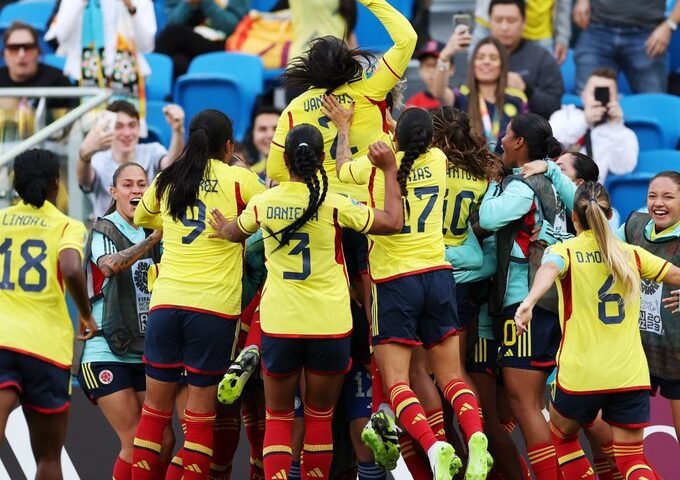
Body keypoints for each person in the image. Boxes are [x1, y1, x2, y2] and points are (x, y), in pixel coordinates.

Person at [209, 123, 403, 480]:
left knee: (280, 418)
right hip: (330, 325)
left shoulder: (264, 202)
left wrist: (224, 226)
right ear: (322, 160)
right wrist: (389, 170)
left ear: (284, 159)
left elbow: (233, 233)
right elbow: (392, 222)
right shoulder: (334, 204)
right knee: (319, 417)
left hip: (280, 324)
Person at [337, 106, 492, 480]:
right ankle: (475, 437)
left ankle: (434, 445)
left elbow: (342, 168)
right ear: (431, 139)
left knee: (397, 382)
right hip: (438, 277)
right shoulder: (438, 160)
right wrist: (395, 125)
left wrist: (345, 128)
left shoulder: (376, 167)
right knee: (452, 376)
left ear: (395, 139)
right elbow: (412, 144)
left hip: (394, 282)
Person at [130, 109, 265, 480]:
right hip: (213, 310)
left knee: (154, 414)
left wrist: (169, 223)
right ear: (228, 146)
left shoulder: (168, 178)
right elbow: (271, 209)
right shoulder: (239, 179)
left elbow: (143, 217)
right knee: (200, 418)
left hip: (166, 304)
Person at [515, 181, 680, 480]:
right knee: (631, 458)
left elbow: (548, 269)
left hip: (582, 375)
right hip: (630, 375)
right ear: (609, 214)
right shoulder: (631, 254)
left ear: (574, 217)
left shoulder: (565, 250)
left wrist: (529, 301)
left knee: (562, 438)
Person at [478, 113, 569, 480]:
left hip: (524, 304)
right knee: (514, 406)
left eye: (507, 134)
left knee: (524, 403)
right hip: (536, 301)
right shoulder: (545, 178)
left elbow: (486, 217)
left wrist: (490, 185)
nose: (500, 140)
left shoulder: (520, 187)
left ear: (519, 143)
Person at [0, 149, 97, 478]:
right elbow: (71, 268)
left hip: (1, 340)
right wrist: (85, 314)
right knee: (48, 458)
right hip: (46, 350)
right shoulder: (67, 225)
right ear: (57, 185)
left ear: (15, 185)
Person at [267, 0, 418, 205]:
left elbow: (275, 170)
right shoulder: (370, 88)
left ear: (309, 68)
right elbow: (408, 38)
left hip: (324, 209)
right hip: (374, 206)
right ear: (349, 60)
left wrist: (312, 185)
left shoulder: (294, 109)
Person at [78, 162, 167, 479]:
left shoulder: (153, 229)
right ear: (113, 192)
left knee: (164, 440)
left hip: (143, 350)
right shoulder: (104, 229)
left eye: (142, 184)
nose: (136, 191)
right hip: (105, 351)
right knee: (135, 440)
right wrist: (151, 242)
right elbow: (110, 266)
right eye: (128, 185)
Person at [617, 171, 680, 444]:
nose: (658, 203)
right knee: (624, 439)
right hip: (636, 350)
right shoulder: (633, 226)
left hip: (675, 355)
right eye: (652, 196)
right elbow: (600, 248)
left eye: (668, 197)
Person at [45, 0, 157, 117]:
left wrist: (131, 8)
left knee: (125, 129)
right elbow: (61, 36)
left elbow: (147, 45)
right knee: (89, 131)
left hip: (125, 79)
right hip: (84, 77)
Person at [77, 100, 186, 219]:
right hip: (108, 233)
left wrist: (178, 130)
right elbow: (85, 181)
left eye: (132, 125)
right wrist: (84, 154)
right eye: (119, 126)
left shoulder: (152, 150)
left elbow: (171, 164)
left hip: (148, 232)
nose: (127, 133)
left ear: (139, 128)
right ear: (109, 129)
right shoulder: (98, 160)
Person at [432, 36, 528, 151]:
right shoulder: (462, 96)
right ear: (473, 64)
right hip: (470, 166)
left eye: (493, 58)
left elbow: (526, 139)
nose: (486, 62)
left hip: (508, 167)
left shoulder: (517, 99)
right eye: (480, 57)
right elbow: (439, 91)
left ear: (502, 65)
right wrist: (444, 56)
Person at [549, 67, 638, 184]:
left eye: (607, 94)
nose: (599, 98)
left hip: (589, 195)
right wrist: (585, 121)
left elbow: (623, 168)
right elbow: (549, 144)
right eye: (595, 93)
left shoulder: (623, 133)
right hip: (555, 186)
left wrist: (616, 127)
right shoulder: (565, 115)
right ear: (583, 95)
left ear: (616, 98)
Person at [572, 0, 680, 93]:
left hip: (648, 32)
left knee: (653, 105)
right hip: (597, 27)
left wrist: (670, 24)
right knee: (586, 101)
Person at [485, 0, 564, 119]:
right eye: (498, 20)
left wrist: (526, 89)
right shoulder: (480, 58)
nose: (504, 27)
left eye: (511, 20)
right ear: (489, 22)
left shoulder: (541, 57)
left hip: (528, 132)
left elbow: (554, 107)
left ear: (523, 22)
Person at [154, 0, 249, 78]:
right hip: (188, 43)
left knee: (174, 32)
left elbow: (235, 27)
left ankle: (147, 83)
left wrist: (206, 2)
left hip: (223, 45)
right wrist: (189, 4)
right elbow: (170, 22)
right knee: (178, 63)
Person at [0, 22, 75, 110]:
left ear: (38, 52)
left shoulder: (58, 81)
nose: (21, 54)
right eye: (14, 48)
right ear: (4, 54)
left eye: (28, 47)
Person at [472, 0, 571, 64]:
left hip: (539, 29)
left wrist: (562, 36)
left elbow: (563, 4)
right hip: (494, 22)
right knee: (480, 75)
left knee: (543, 84)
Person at [405, 40, 453, 111]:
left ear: (451, 68)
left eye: (436, 65)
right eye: (426, 65)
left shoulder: (459, 96)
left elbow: (442, 95)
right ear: (420, 69)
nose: (430, 70)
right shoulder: (414, 103)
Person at [245, 106, 282, 181]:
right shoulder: (250, 174)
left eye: (276, 128)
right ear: (252, 134)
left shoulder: (299, 173)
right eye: (262, 129)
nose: (270, 135)